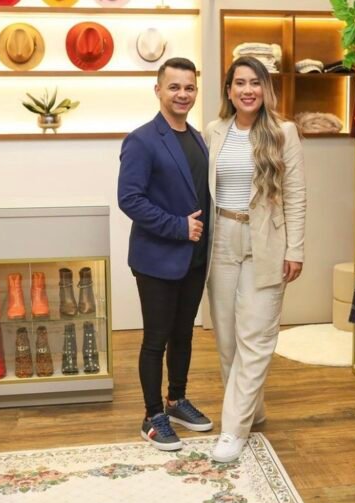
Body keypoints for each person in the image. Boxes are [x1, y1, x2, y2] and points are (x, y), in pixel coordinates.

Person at [204, 56, 307, 462]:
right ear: (229, 90)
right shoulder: (214, 131)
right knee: (227, 340)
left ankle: (233, 429)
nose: (248, 90)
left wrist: (295, 249)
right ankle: (251, 410)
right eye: (240, 83)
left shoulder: (284, 132)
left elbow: (296, 195)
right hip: (221, 239)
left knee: (257, 336)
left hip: (266, 241)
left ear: (266, 89)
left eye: (256, 82)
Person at [117, 57, 213, 451]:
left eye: (189, 87)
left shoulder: (198, 138)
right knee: (156, 339)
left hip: (194, 258)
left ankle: (176, 400)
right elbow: (129, 199)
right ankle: (152, 416)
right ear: (158, 90)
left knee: (183, 335)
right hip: (157, 259)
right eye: (174, 87)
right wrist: (177, 226)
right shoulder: (141, 140)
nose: (182, 94)